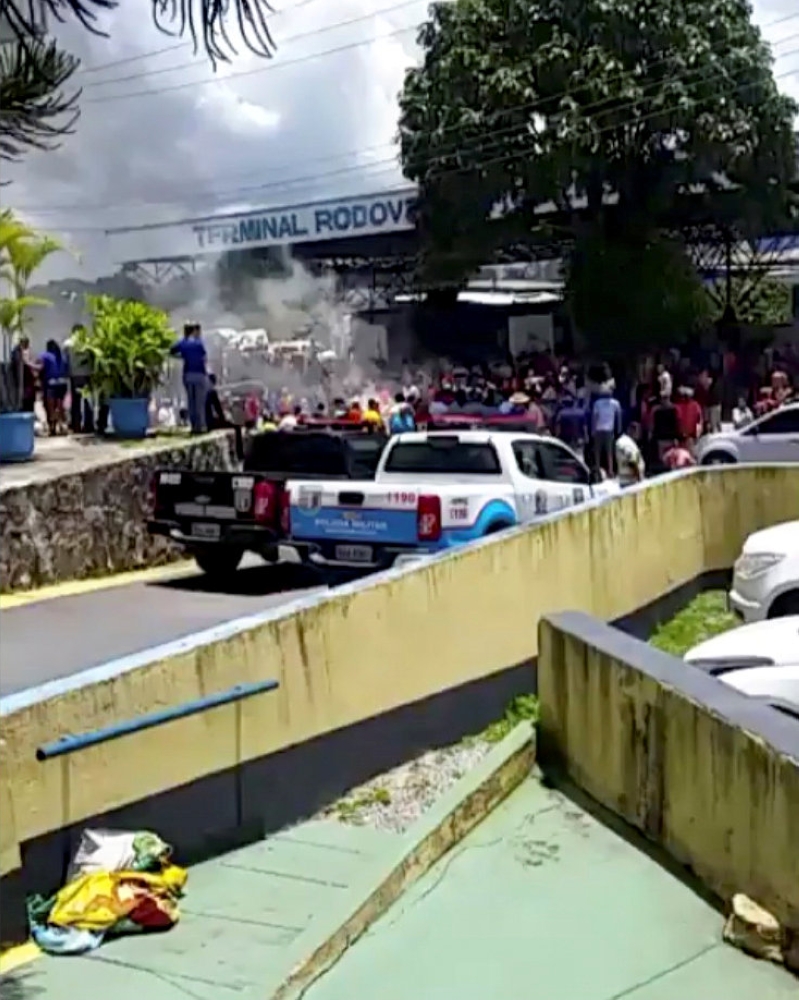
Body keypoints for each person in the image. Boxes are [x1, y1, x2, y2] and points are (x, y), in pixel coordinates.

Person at [170, 322, 208, 434]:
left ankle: (193, 426)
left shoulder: (182, 343)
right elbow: (204, 357)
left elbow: (171, 351)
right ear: (194, 331)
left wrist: (181, 357)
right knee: (199, 402)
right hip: (199, 375)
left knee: (191, 401)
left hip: (187, 375)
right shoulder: (199, 343)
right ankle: (200, 426)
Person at [64, 324, 94, 433]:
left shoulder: (68, 344)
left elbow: (65, 360)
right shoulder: (89, 343)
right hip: (87, 375)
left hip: (75, 376)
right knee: (87, 401)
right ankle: (88, 425)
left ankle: (76, 425)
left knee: (76, 402)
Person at [590, 383, 622, 476]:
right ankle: (610, 471)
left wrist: (593, 429)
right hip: (608, 430)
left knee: (598, 452)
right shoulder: (615, 403)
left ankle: (597, 470)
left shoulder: (597, 403)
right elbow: (618, 416)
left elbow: (594, 417)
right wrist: (619, 428)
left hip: (599, 429)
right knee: (609, 452)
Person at [39, 339, 68, 435]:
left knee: (50, 407)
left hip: (50, 384)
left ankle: (52, 428)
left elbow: (40, 367)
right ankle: (62, 426)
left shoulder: (45, 355)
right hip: (62, 383)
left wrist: (27, 363)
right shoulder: (62, 356)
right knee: (59, 406)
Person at [9, 335, 37, 413]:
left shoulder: (19, 351)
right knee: (26, 398)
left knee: (28, 397)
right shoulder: (18, 351)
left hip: (26, 380)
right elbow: (23, 363)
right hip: (23, 380)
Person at [615, 423, 646, 487]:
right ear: (630, 430)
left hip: (629, 480)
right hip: (630, 481)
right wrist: (640, 478)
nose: (639, 434)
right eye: (637, 431)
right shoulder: (626, 443)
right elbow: (632, 461)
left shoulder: (628, 442)